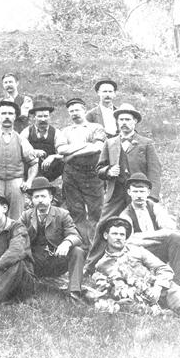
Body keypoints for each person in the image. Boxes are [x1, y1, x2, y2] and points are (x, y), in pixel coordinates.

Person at [92, 217, 180, 338]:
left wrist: (157, 288)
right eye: (115, 234)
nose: (119, 238)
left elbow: (164, 268)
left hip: (160, 288)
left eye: (122, 235)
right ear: (105, 235)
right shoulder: (102, 265)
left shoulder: (137, 251)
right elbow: (104, 288)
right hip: (137, 299)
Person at [87, 104, 162, 272]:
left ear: (135, 121)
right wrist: (108, 171)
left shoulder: (146, 143)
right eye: (121, 119)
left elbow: (155, 172)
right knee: (102, 225)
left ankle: (151, 265)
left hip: (138, 194)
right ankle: (91, 266)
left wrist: (152, 198)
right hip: (116, 193)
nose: (124, 123)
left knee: (143, 227)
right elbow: (99, 169)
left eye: (128, 119)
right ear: (117, 122)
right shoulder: (110, 142)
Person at [19, 176, 84, 300]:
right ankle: (26, 290)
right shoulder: (26, 216)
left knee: (78, 251)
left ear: (51, 198)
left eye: (43, 196)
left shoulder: (62, 214)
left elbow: (76, 236)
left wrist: (67, 243)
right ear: (32, 200)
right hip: (34, 262)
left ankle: (74, 292)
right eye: (36, 197)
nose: (40, 200)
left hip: (56, 260)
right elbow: (16, 236)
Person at [56, 98, 106, 249]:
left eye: (77, 110)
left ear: (84, 110)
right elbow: (60, 150)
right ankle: (83, 245)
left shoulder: (96, 128)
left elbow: (97, 148)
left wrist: (71, 154)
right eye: (71, 111)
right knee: (75, 211)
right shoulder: (65, 131)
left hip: (92, 175)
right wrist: (84, 146)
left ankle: (97, 247)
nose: (74, 113)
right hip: (71, 174)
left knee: (96, 212)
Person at [119, 173, 180, 283]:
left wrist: (142, 237)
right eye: (135, 192)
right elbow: (128, 242)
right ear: (129, 192)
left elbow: (170, 228)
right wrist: (160, 236)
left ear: (148, 193)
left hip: (157, 250)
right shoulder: (125, 215)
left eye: (142, 192)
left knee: (177, 238)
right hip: (140, 255)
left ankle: (177, 282)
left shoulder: (154, 207)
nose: (139, 195)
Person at [20, 97, 65, 186]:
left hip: (51, 173)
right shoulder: (27, 131)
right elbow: (18, 147)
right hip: (30, 170)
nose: (43, 119)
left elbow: (63, 152)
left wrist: (52, 157)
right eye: (40, 116)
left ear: (49, 117)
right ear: (34, 117)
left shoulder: (56, 133)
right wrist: (33, 152)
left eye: (45, 116)